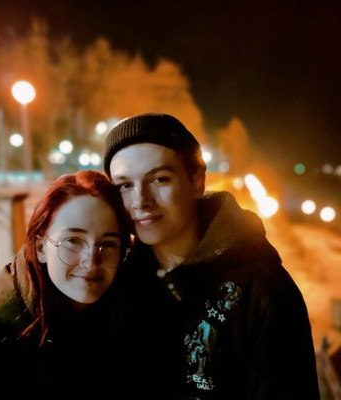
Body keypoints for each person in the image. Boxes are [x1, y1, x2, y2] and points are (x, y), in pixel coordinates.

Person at [103, 113, 320, 399]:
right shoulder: (118, 282)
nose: (141, 201)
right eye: (125, 185)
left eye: (159, 179)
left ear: (196, 180)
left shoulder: (263, 290)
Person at [0, 170, 131, 400]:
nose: (91, 261)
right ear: (41, 247)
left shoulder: (120, 323)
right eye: (72, 240)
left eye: (108, 244)